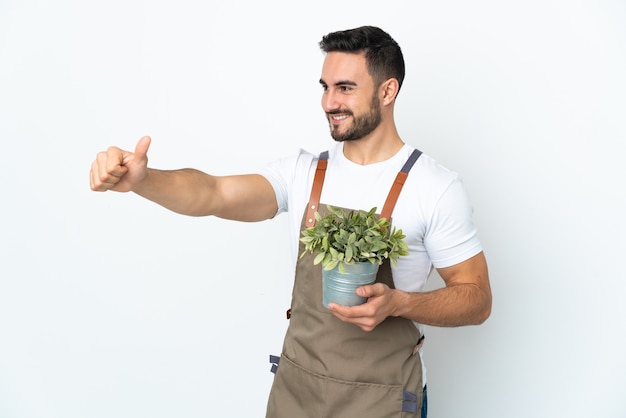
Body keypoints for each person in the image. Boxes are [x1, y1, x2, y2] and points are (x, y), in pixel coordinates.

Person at [90, 25, 491, 418]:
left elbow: (476, 299)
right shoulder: (303, 173)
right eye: (325, 87)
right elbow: (212, 192)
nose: (329, 102)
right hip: (297, 393)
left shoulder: (433, 187)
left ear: (387, 91)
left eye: (345, 88)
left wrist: (401, 303)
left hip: (382, 400)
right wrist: (144, 180)